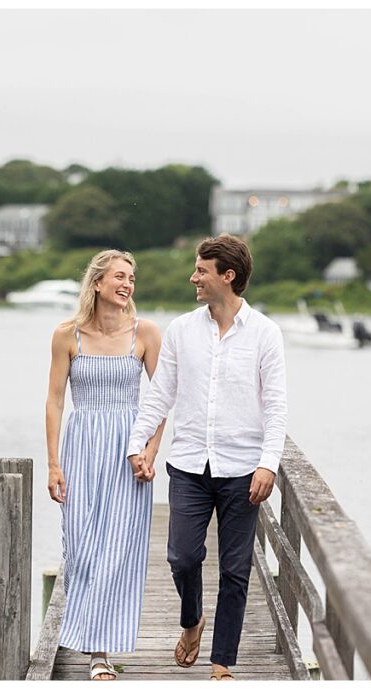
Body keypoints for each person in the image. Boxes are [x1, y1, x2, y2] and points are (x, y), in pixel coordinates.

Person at [126, 234, 287, 681]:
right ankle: (192, 619)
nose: (193, 277)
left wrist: (268, 462)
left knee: (235, 570)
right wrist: (136, 444)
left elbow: (275, 405)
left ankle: (222, 665)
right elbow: (160, 396)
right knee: (181, 556)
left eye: (201, 270)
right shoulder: (181, 330)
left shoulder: (265, 334)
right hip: (190, 466)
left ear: (227, 276)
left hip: (242, 470)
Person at [45, 249, 166, 681]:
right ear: (96, 283)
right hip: (81, 447)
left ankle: (100, 653)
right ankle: (84, 635)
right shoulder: (67, 335)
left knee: (116, 552)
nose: (127, 284)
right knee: (81, 549)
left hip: (128, 449)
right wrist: (53, 464)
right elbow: (56, 400)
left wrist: (150, 450)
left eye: (131, 278)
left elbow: (162, 396)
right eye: (119, 276)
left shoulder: (146, 333)